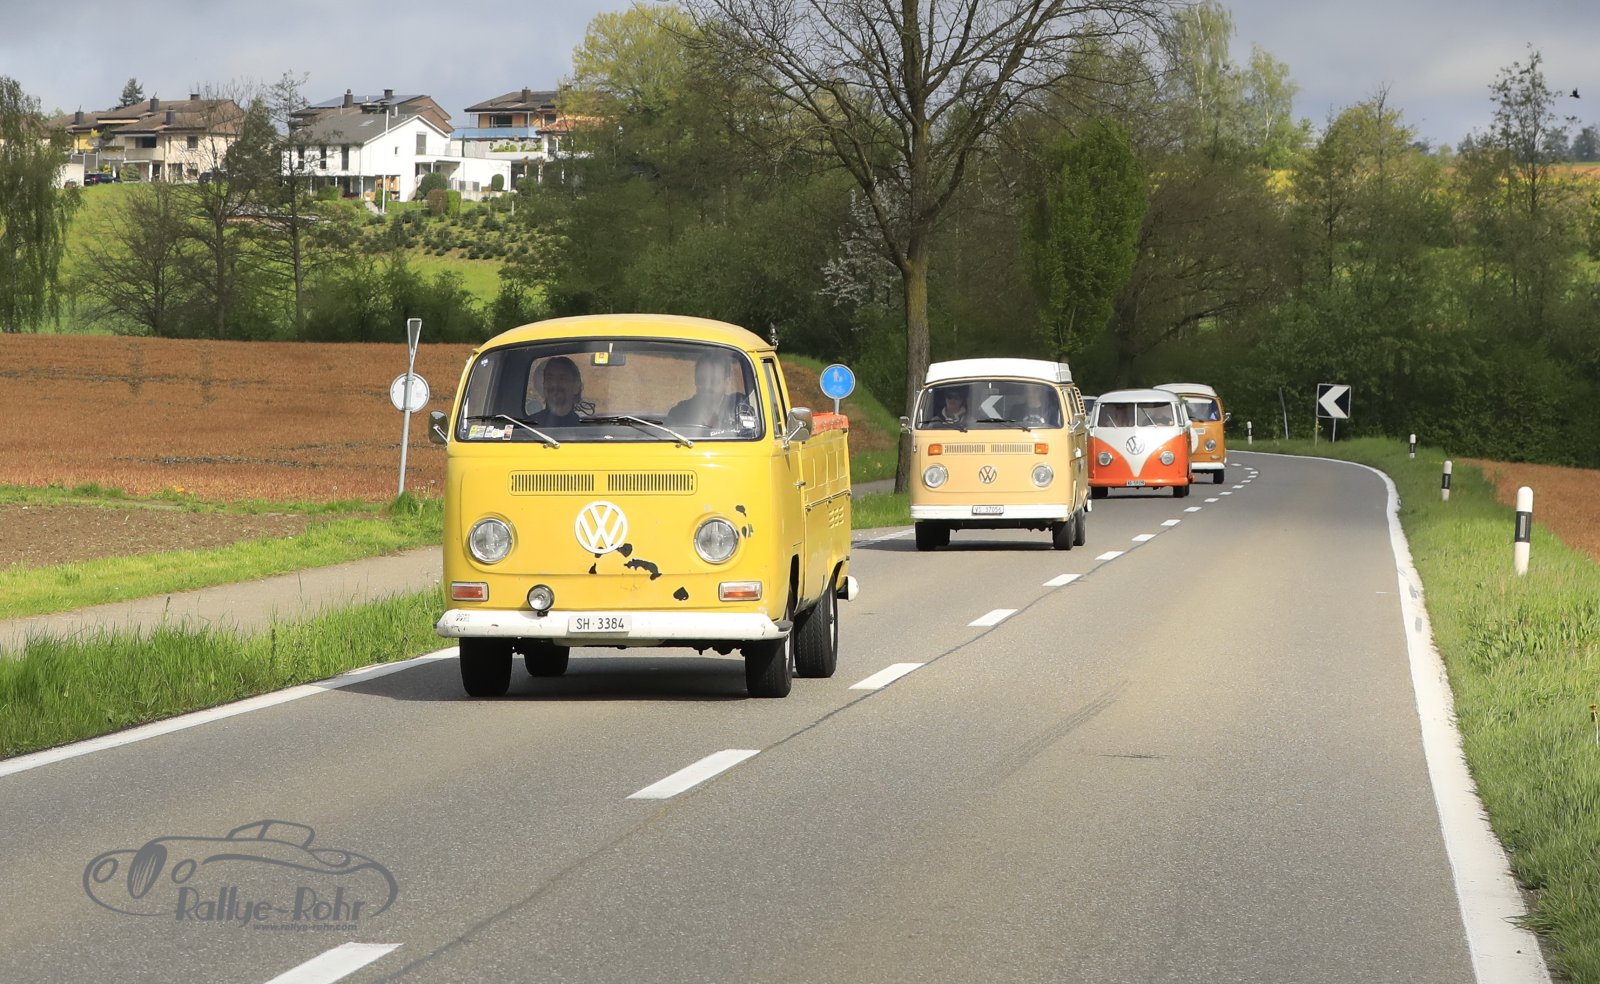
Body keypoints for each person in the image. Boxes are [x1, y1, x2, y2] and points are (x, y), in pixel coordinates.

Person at [667, 352, 748, 430]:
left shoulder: (739, 409)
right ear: (695, 380)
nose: (707, 386)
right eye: (701, 380)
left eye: (714, 381)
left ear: (727, 382)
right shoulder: (679, 413)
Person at [529, 356, 586, 426]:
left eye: (562, 378)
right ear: (543, 385)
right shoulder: (527, 426)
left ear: (576, 386)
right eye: (549, 378)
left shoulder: (586, 430)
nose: (554, 384)